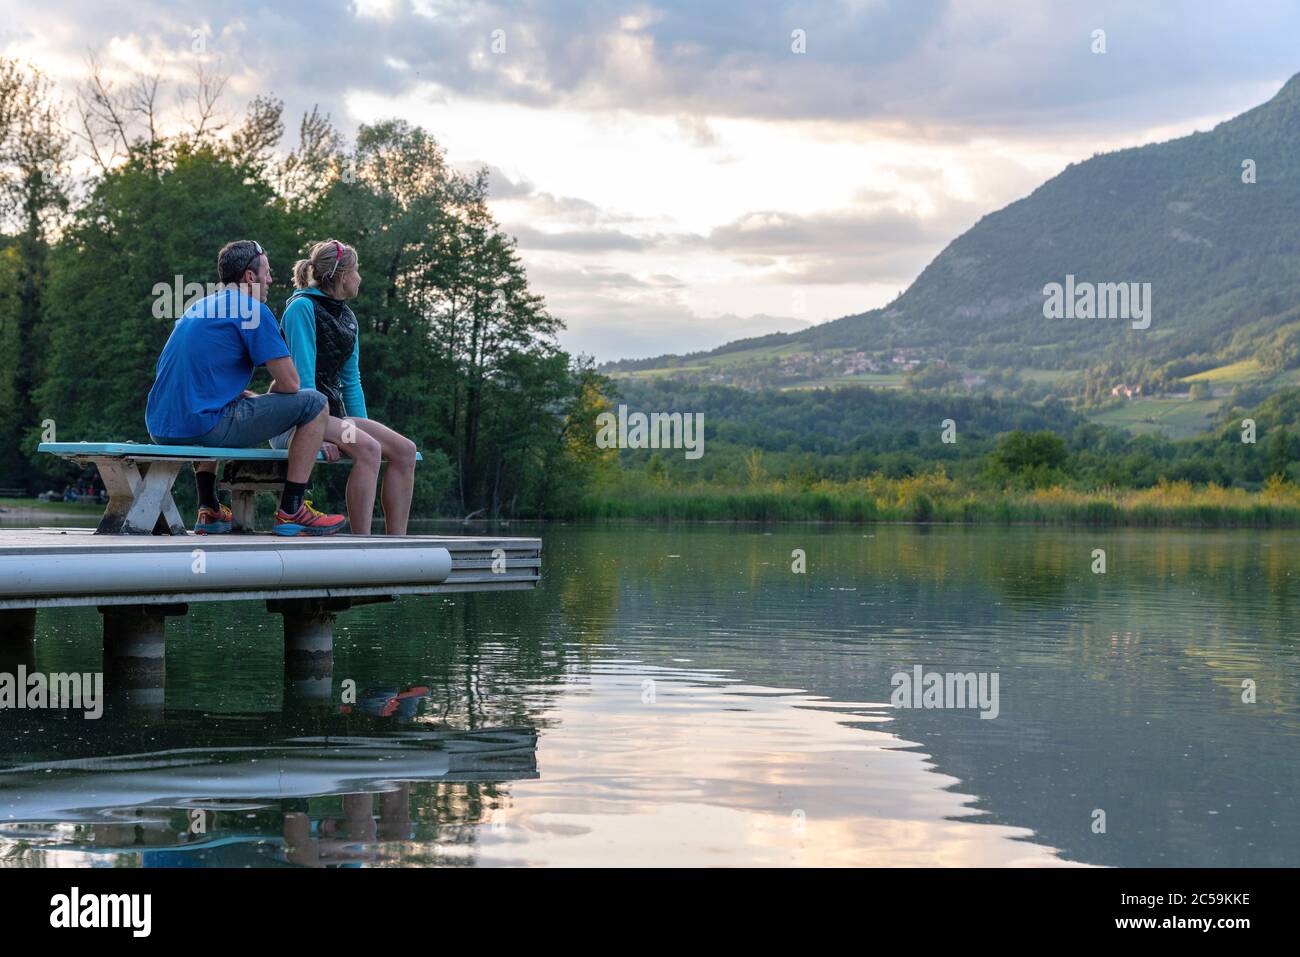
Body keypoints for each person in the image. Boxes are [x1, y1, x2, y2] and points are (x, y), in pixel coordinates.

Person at [145, 239, 347, 536]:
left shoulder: (197, 307)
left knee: (221, 408)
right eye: (266, 272)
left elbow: (190, 376)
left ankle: (209, 508)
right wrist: (305, 430)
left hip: (160, 425)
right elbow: (291, 384)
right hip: (204, 426)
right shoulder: (252, 309)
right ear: (249, 277)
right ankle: (292, 509)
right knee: (315, 403)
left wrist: (249, 401)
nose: (270, 279)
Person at [270, 239, 417, 535]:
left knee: (405, 451)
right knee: (370, 449)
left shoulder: (348, 318)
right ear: (342, 275)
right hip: (296, 420)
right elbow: (304, 379)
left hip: (334, 420)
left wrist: (361, 425)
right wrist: (314, 436)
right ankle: (362, 543)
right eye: (357, 270)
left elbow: (351, 382)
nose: (360, 278)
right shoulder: (301, 308)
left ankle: (396, 544)